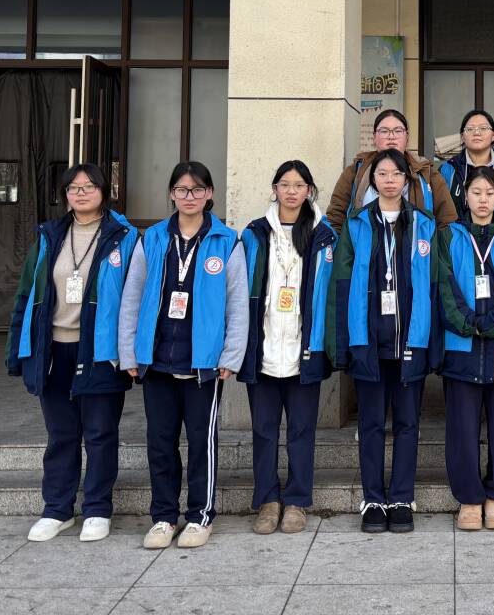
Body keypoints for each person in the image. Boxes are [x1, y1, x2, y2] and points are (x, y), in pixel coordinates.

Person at [5, 163, 140, 543]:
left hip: (100, 350)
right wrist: (17, 350)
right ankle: (57, 509)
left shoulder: (124, 237)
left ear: (104, 191)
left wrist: (133, 352)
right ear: (65, 194)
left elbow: (136, 298)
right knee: (61, 434)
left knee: (100, 433)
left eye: (89, 186)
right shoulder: (49, 236)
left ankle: (97, 509)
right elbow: (26, 294)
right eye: (73, 188)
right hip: (53, 350)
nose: (81, 193)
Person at [118, 161, 247, 550]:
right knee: (160, 443)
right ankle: (163, 517)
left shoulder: (227, 241)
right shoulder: (154, 238)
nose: (189, 197)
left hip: (203, 364)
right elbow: (132, 297)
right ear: (172, 194)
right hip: (156, 360)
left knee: (201, 443)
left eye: (197, 189)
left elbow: (237, 303)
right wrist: (129, 351)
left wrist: (231, 355)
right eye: (181, 190)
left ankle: (199, 516)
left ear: (210, 194)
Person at [326, 148, 436, 534]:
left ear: (407, 180)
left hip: (411, 339)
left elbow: (434, 286)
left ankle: (402, 497)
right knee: (371, 423)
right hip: (368, 340)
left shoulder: (423, 224)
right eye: (382, 174)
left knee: (408, 423)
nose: (390, 180)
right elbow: (341, 285)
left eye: (396, 174)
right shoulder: (356, 224)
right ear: (372, 180)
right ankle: (373, 498)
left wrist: (432, 343)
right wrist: (343, 343)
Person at [237, 161, 338, 536]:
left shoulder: (325, 236)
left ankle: (296, 500)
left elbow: (331, 297)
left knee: (301, 430)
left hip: (303, 348)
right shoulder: (254, 234)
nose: (291, 191)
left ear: (309, 190)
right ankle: (267, 500)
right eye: (284, 184)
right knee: (263, 430)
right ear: (274, 188)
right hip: (263, 349)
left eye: (299, 185)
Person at [434, 166, 494, 530]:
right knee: (462, 430)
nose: (483, 200)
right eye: (476, 193)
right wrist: (468, 323)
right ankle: (470, 500)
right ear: (465, 197)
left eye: (490, 193)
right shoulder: (450, 237)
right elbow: (445, 287)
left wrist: (492, 324)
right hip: (462, 348)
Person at [327, 109, 457, 232]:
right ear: (374, 137)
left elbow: (447, 220)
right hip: (364, 245)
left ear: (407, 137)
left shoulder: (426, 173)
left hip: (415, 246)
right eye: (384, 131)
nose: (391, 136)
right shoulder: (356, 171)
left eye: (398, 131)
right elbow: (336, 217)